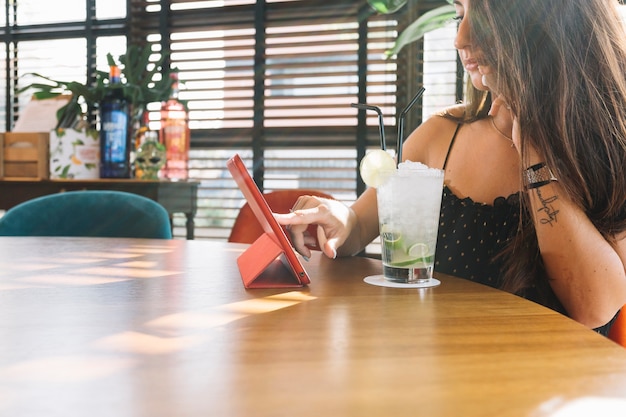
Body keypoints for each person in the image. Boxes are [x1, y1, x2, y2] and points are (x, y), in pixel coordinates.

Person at [275, 0, 626, 335]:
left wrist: (532, 148)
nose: (461, 38)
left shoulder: (611, 140)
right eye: (460, 15)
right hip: (446, 378)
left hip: (552, 386)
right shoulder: (440, 136)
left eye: (486, 17)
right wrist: (338, 218)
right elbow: (360, 223)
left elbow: (595, 307)